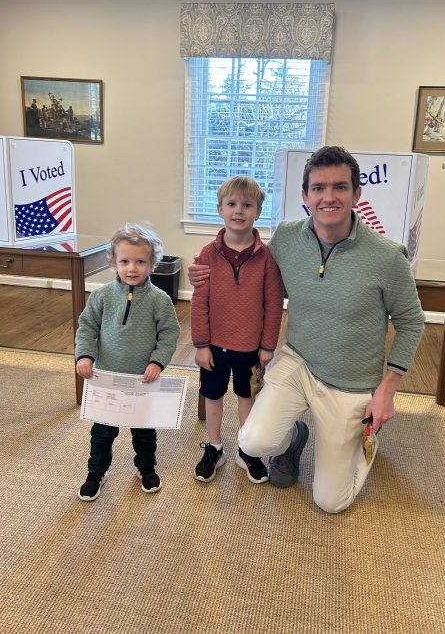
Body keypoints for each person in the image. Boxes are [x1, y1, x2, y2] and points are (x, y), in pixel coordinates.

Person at [189, 146, 425, 513]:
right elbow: (257, 283)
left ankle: (363, 441)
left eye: (340, 187)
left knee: (330, 501)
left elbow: (412, 322)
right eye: (318, 188)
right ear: (305, 196)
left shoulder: (387, 256)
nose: (328, 197)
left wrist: (387, 391)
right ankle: (295, 437)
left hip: (349, 381)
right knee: (252, 441)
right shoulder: (286, 238)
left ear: (357, 194)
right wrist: (204, 275)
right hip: (297, 363)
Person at [76, 223, 180, 501]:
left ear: (152, 263)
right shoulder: (101, 296)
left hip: (142, 381)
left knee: (144, 431)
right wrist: (85, 355)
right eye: (124, 261)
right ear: (113, 262)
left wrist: (158, 361)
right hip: (107, 379)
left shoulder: (160, 300)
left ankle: (145, 468)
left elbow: (170, 333)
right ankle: (96, 472)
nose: (132, 268)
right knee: (102, 433)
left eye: (140, 261)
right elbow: (87, 327)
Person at [191, 176, 284, 484]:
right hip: (214, 346)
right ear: (220, 209)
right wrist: (201, 344)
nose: (239, 211)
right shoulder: (207, 254)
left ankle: (248, 450)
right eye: (232, 204)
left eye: (247, 205)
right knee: (213, 396)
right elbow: (199, 301)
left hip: (250, 347)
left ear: (258, 211)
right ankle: (214, 446)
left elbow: (273, 304)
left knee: (248, 397)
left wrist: (268, 345)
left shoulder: (267, 257)